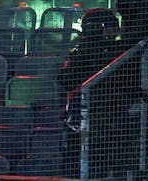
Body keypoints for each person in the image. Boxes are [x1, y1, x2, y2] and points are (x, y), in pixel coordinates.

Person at [56, 9, 131, 178]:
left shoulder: (115, 51)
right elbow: (64, 80)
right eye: (111, 27)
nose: (115, 31)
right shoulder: (82, 52)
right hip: (89, 120)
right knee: (81, 165)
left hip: (105, 120)